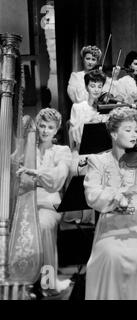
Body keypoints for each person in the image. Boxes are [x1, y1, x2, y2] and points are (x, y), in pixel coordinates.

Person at [84, 106, 137, 299]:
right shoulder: (98, 161)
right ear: (113, 133)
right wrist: (122, 192)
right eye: (127, 130)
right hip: (110, 223)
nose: (134, 134)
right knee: (110, 255)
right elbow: (92, 194)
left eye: (135, 130)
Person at [17, 108, 72, 295]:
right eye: (41, 125)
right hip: (27, 199)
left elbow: (58, 178)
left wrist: (37, 174)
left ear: (56, 130)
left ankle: (48, 281)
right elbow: (12, 166)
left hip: (49, 202)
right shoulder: (27, 149)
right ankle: (25, 278)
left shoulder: (62, 151)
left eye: (50, 127)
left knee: (42, 224)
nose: (45, 130)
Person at [68, 69, 108, 151]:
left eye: (99, 87)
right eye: (92, 86)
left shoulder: (105, 108)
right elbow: (73, 134)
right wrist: (90, 122)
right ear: (86, 88)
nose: (96, 90)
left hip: (102, 149)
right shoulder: (77, 107)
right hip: (83, 149)